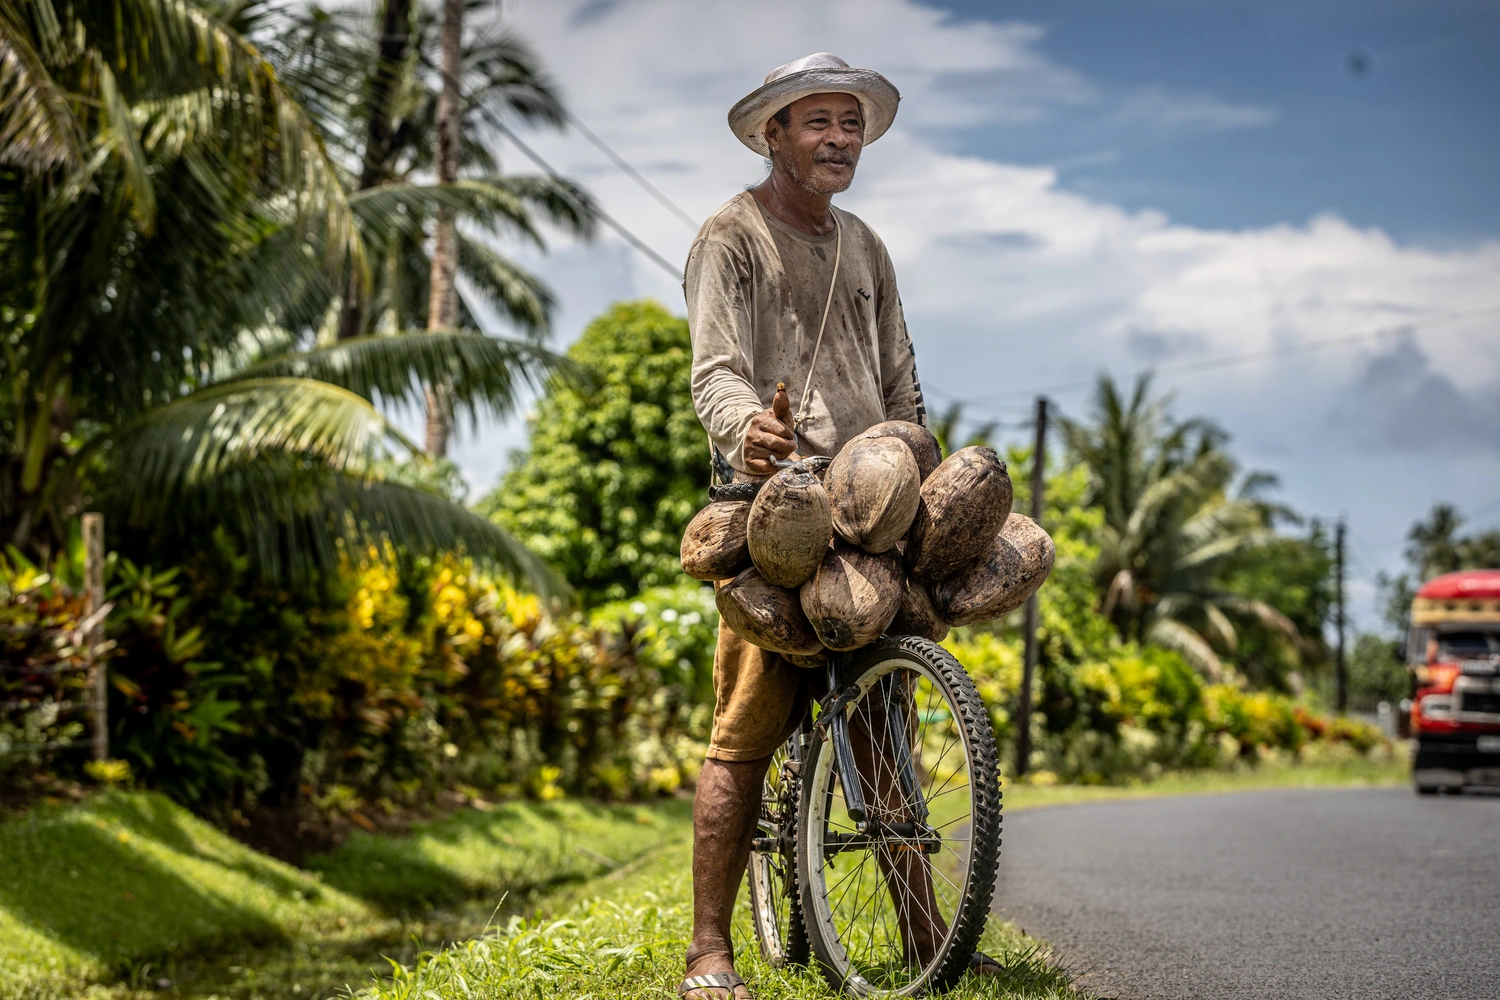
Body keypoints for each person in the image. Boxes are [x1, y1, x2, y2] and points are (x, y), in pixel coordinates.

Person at [679, 52, 997, 1000]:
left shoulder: (866, 246)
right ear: (772, 134)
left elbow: (902, 376)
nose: (839, 141)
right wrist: (752, 429)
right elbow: (715, 373)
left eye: (850, 125)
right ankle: (709, 954)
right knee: (747, 731)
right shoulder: (729, 238)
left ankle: (924, 934)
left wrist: (922, 462)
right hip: (775, 505)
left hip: (875, 505)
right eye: (817, 123)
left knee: (885, 724)